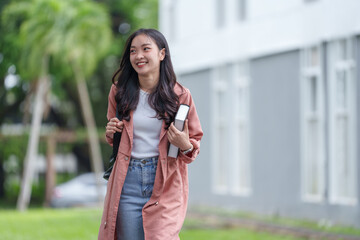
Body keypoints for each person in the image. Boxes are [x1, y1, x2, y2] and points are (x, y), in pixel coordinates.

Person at [98, 28, 203, 240]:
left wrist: (185, 143)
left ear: (162, 54)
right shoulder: (119, 92)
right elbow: (115, 137)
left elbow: (193, 144)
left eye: (146, 49)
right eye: (133, 51)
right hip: (128, 180)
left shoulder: (180, 95)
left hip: (165, 180)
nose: (139, 56)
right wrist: (111, 131)